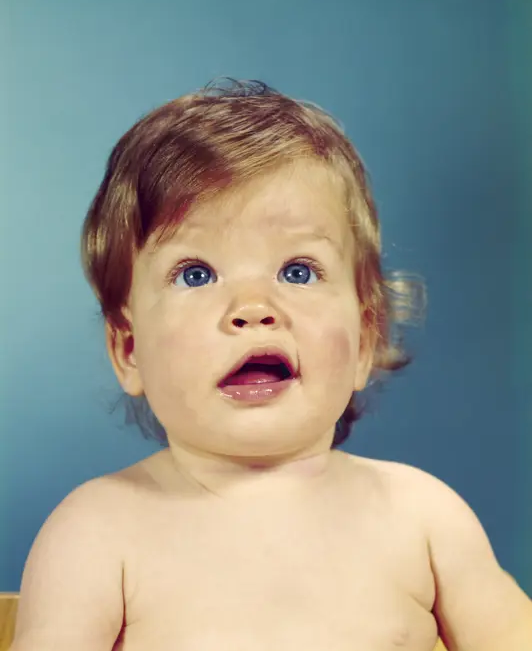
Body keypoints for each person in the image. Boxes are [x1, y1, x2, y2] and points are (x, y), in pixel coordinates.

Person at [11, 79, 531, 651]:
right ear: (129, 350)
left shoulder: (425, 519)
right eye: (196, 274)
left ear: (364, 339)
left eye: (298, 271)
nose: (253, 309)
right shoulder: (94, 534)